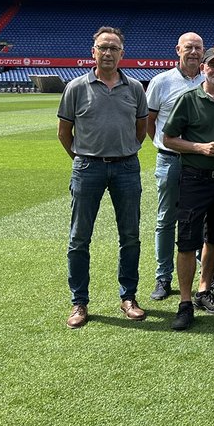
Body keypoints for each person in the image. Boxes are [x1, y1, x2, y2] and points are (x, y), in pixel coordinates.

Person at [56, 26, 148, 328]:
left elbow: (140, 130)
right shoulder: (76, 87)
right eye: (103, 47)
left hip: (126, 167)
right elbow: (64, 133)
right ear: (93, 52)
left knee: (130, 235)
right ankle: (79, 302)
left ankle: (128, 297)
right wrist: (82, 158)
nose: (108, 53)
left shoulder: (135, 88)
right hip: (88, 167)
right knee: (79, 237)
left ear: (122, 53)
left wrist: (124, 151)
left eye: (113, 48)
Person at [161, 47, 214, 329]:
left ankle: (204, 290)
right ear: (204, 68)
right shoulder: (189, 99)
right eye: (212, 65)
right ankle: (184, 303)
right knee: (187, 240)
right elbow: (168, 138)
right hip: (195, 178)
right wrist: (199, 147)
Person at [144, 32, 205, 301]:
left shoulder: (208, 79)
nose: (193, 52)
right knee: (166, 219)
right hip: (170, 159)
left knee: (201, 218)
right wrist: (162, 143)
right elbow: (150, 121)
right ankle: (163, 276)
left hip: (201, 161)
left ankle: (205, 276)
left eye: (198, 48)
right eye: (188, 47)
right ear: (178, 50)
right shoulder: (161, 81)